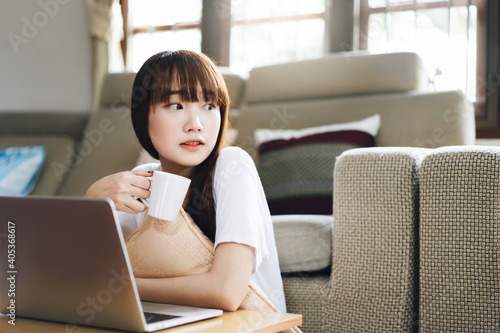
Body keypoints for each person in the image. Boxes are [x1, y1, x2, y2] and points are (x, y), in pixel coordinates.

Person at [85, 50, 286, 313]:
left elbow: (226, 292)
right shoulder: (142, 179)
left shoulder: (232, 165)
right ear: (143, 117)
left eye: (209, 106)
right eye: (177, 106)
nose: (196, 124)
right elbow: (88, 279)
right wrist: (91, 207)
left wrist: (124, 286)